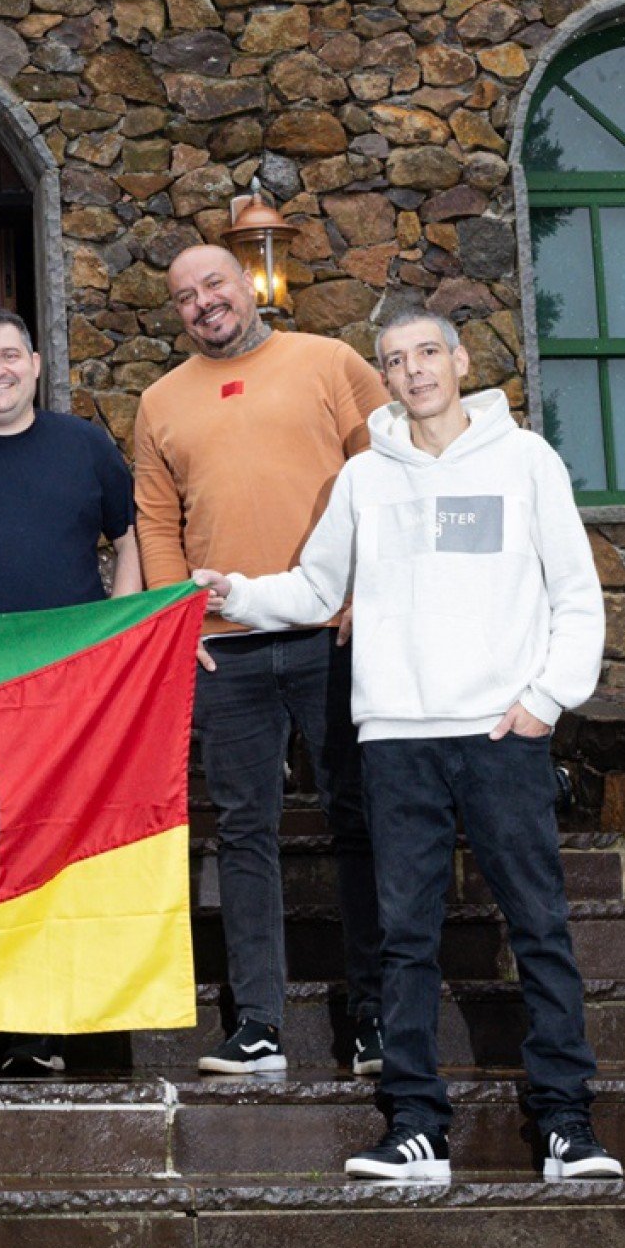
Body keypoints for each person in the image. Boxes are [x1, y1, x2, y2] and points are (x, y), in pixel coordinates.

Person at [194, 308, 616, 1183]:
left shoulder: (527, 462)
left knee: (538, 927)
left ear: (461, 360)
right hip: (395, 741)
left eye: (428, 352)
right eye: (395, 360)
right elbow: (318, 584)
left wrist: (545, 700)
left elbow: (577, 595)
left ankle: (568, 1125)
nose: (414, 370)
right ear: (382, 377)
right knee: (405, 940)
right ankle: (417, 1127)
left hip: (501, 734)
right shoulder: (363, 480)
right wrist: (236, 591)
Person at [135, 243, 388, 1077]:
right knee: (244, 832)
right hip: (227, 652)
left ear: (250, 285)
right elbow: (157, 523)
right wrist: (182, 630)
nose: (202, 302)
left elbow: (387, 478)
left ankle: (377, 1016)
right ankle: (258, 1026)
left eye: (214, 283)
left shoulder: (329, 362)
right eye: (183, 296)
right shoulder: (160, 401)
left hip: (331, 635)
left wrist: (366, 598)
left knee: (360, 821)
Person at [0, 305, 142, 1077]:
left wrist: (122, 638)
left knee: (50, 856)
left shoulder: (84, 447)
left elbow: (131, 536)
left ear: (38, 364)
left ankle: (40, 1026)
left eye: (10, 356)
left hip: (66, 699)